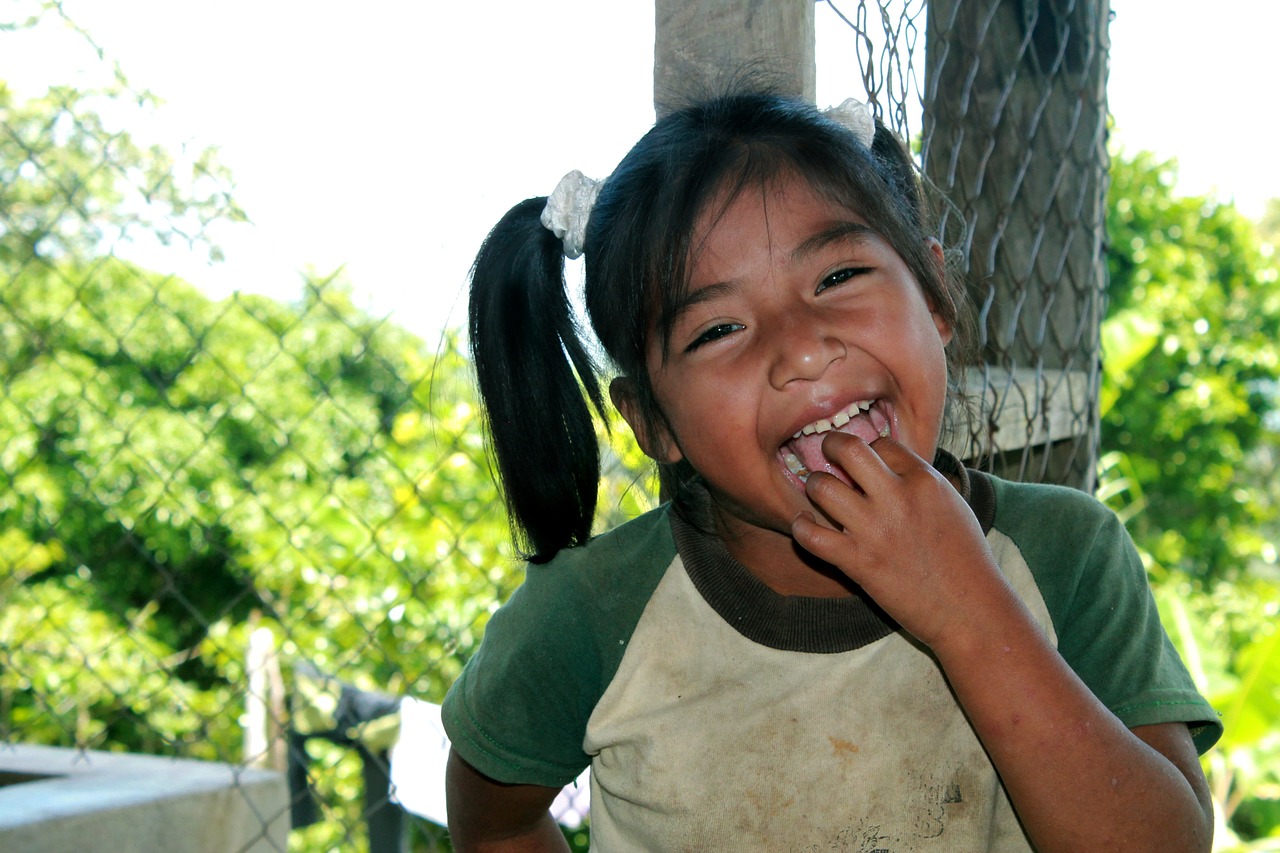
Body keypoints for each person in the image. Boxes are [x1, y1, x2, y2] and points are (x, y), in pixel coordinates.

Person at [441, 89, 1221, 851]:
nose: (803, 348)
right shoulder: (594, 614)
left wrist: (967, 607)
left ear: (935, 291)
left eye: (838, 279)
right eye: (718, 328)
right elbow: (496, 818)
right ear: (651, 422)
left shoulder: (1064, 555)